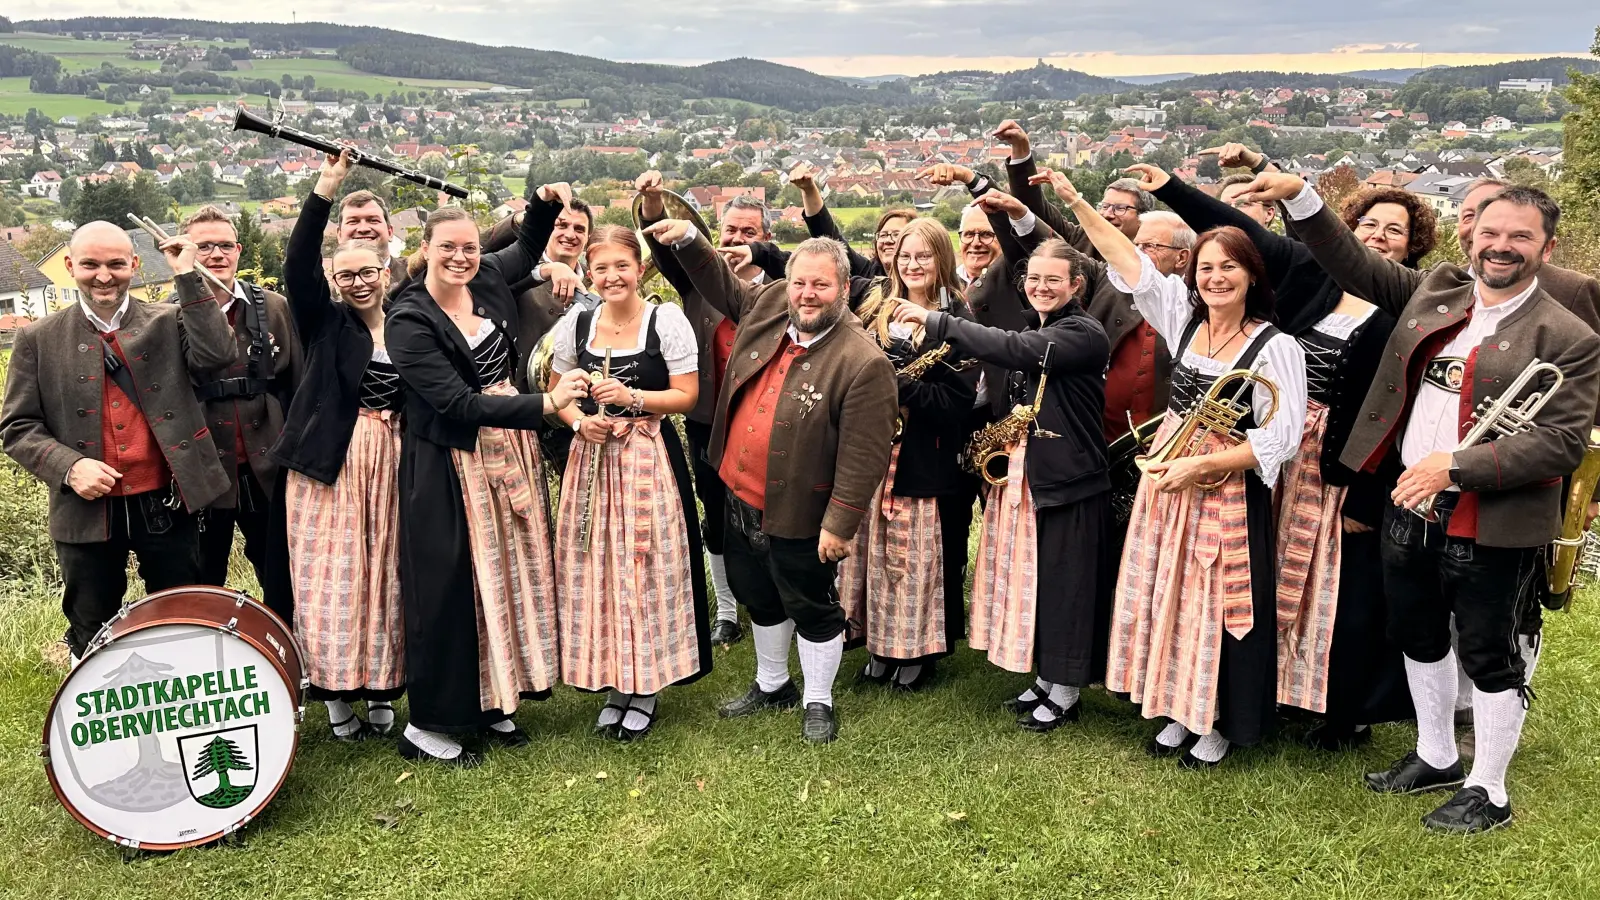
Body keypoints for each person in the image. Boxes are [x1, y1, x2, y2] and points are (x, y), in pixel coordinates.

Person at [1239, 173, 1600, 832]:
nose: (1501, 246)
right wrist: (1298, 197)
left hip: (1493, 518)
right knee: (1417, 633)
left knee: (1489, 653)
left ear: (1546, 249)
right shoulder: (1436, 290)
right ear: (1472, 236)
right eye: (1490, 232)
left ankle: (1489, 789)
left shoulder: (1568, 335)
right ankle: (1435, 755)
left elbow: (1561, 444)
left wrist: (1454, 466)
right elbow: (1351, 260)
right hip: (1410, 501)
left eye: (1520, 237)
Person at [1128, 162, 1415, 750]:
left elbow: (1400, 411)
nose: (1379, 236)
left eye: (1395, 230)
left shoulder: (1410, 307)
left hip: (1340, 467)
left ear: (1413, 246)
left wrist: (1368, 494)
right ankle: (1265, 694)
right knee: (1266, 581)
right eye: (1369, 224)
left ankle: (1345, 713)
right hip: (1274, 458)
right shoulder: (1314, 279)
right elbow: (1240, 238)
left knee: (1340, 594)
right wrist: (1171, 189)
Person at [1036, 168, 1308, 768]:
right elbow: (1127, 261)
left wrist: (1202, 465)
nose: (1215, 278)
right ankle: (1180, 707)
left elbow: (1281, 440)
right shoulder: (1183, 318)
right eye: (1206, 268)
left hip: (1225, 492)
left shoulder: (1276, 346)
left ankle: (1217, 721)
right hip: (1169, 480)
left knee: (1217, 604)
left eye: (1228, 268)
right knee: (1171, 596)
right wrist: (1076, 201)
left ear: (1252, 276)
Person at [643, 220, 898, 743]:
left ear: (843, 289)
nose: (807, 294)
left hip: (802, 508)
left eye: (821, 284)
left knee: (811, 605)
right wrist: (689, 238)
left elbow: (865, 455)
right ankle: (772, 683)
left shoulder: (863, 361)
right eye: (799, 282)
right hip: (737, 491)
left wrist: (841, 524)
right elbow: (721, 284)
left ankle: (818, 699)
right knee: (758, 593)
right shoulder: (770, 304)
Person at [385, 186, 591, 767]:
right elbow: (456, 404)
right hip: (447, 464)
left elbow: (527, 247)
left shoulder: (488, 277)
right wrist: (547, 405)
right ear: (426, 250)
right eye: (447, 247)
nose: (461, 257)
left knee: (505, 573)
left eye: (470, 247)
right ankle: (428, 725)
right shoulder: (408, 319)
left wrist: (543, 201)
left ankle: (495, 699)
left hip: (506, 452)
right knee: (449, 586)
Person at [894, 237, 1114, 731]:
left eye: (1053, 279)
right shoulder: (1041, 325)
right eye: (1033, 278)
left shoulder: (1083, 332)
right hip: (1033, 478)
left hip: (1071, 481)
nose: (1041, 287)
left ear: (1076, 284)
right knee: (1036, 579)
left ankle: (1066, 692)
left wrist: (937, 321)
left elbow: (1015, 349)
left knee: (1066, 586)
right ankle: (1046, 678)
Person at [1, 223, 234, 663]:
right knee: (91, 623)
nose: (104, 276)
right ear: (70, 266)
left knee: (181, 612)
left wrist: (187, 276)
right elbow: (18, 426)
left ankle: (182, 694)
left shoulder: (168, 320)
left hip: (166, 502)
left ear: (135, 264)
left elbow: (218, 355)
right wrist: (69, 467)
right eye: (90, 264)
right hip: (86, 507)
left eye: (116, 264)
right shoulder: (38, 338)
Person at [548, 224, 710, 741]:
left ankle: (645, 687)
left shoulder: (666, 321)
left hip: (647, 455)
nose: (612, 276)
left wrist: (632, 398)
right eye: (601, 268)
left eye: (622, 265)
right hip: (593, 459)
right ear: (588, 273)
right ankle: (616, 681)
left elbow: (687, 395)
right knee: (600, 569)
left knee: (645, 568)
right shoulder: (578, 322)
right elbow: (557, 393)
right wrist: (579, 422)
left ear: (639, 269)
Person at [273, 149, 406, 742]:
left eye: (367, 272)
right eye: (346, 275)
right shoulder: (324, 321)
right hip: (332, 464)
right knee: (332, 581)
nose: (358, 282)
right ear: (334, 281)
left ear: (385, 272)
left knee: (385, 576)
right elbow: (297, 261)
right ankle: (334, 696)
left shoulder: (408, 324)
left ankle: (380, 688)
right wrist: (326, 187)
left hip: (393, 461)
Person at [636, 171, 788, 647]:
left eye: (748, 231)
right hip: (707, 422)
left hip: (765, 425)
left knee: (774, 517)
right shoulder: (695, 281)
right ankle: (726, 609)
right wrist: (654, 204)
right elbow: (664, 248)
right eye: (730, 230)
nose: (736, 239)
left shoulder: (784, 289)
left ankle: (783, 603)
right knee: (717, 515)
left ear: (765, 239)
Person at [837, 217, 980, 692]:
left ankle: (917, 652)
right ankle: (880, 646)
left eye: (923, 255)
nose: (912, 264)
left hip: (925, 457)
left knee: (914, 561)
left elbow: (957, 403)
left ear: (942, 258)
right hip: (873, 451)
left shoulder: (958, 318)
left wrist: (897, 386)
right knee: (873, 554)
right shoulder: (876, 307)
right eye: (904, 255)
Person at [996, 123, 1176, 444]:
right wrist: (1019, 191)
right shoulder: (1093, 257)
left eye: (1120, 208)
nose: (1108, 214)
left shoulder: (1186, 294)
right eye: (1105, 206)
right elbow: (1040, 225)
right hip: (1095, 424)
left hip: (1162, 433)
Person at [180, 205, 300, 625]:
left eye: (225, 245)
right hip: (206, 467)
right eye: (203, 246)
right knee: (202, 573)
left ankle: (285, 648)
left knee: (280, 570)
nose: (216, 254)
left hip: (268, 461)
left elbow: (297, 382)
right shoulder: (169, 315)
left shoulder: (274, 307)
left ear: (238, 250)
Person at [789, 163, 913, 281]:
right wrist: (809, 189)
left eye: (896, 235)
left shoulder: (922, 283)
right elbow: (830, 240)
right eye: (883, 235)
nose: (888, 240)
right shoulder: (867, 274)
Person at [334, 188, 406, 285]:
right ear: (339, 234)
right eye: (353, 221)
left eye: (373, 220)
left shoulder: (415, 275)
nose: (363, 229)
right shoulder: (326, 290)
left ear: (390, 231)